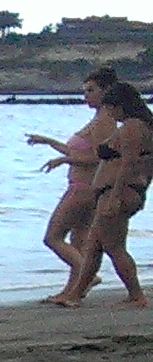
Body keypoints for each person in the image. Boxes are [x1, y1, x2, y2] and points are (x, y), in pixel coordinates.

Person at [48, 81, 153, 308]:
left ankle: (137, 295)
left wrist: (116, 196)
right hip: (116, 191)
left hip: (118, 192)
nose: (110, 114)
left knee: (114, 247)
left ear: (121, 106)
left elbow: (129, 163)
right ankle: (75, 295)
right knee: (94, 247)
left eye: (111, 108)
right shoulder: (139, 127)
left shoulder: (133, 127)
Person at [28, 67, 120, 281]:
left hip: (84, 188)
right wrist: (47, 141)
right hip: (82, 186)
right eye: (85, 90)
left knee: (53, 237)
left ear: (106, 91)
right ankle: (74, 289)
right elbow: (75, 151)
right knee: (78, 241)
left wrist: (63, 161)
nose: (86, 96)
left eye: (91, 90)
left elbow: (99, 157)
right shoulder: (98, 118)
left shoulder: (105, 121)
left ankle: (88, 276)